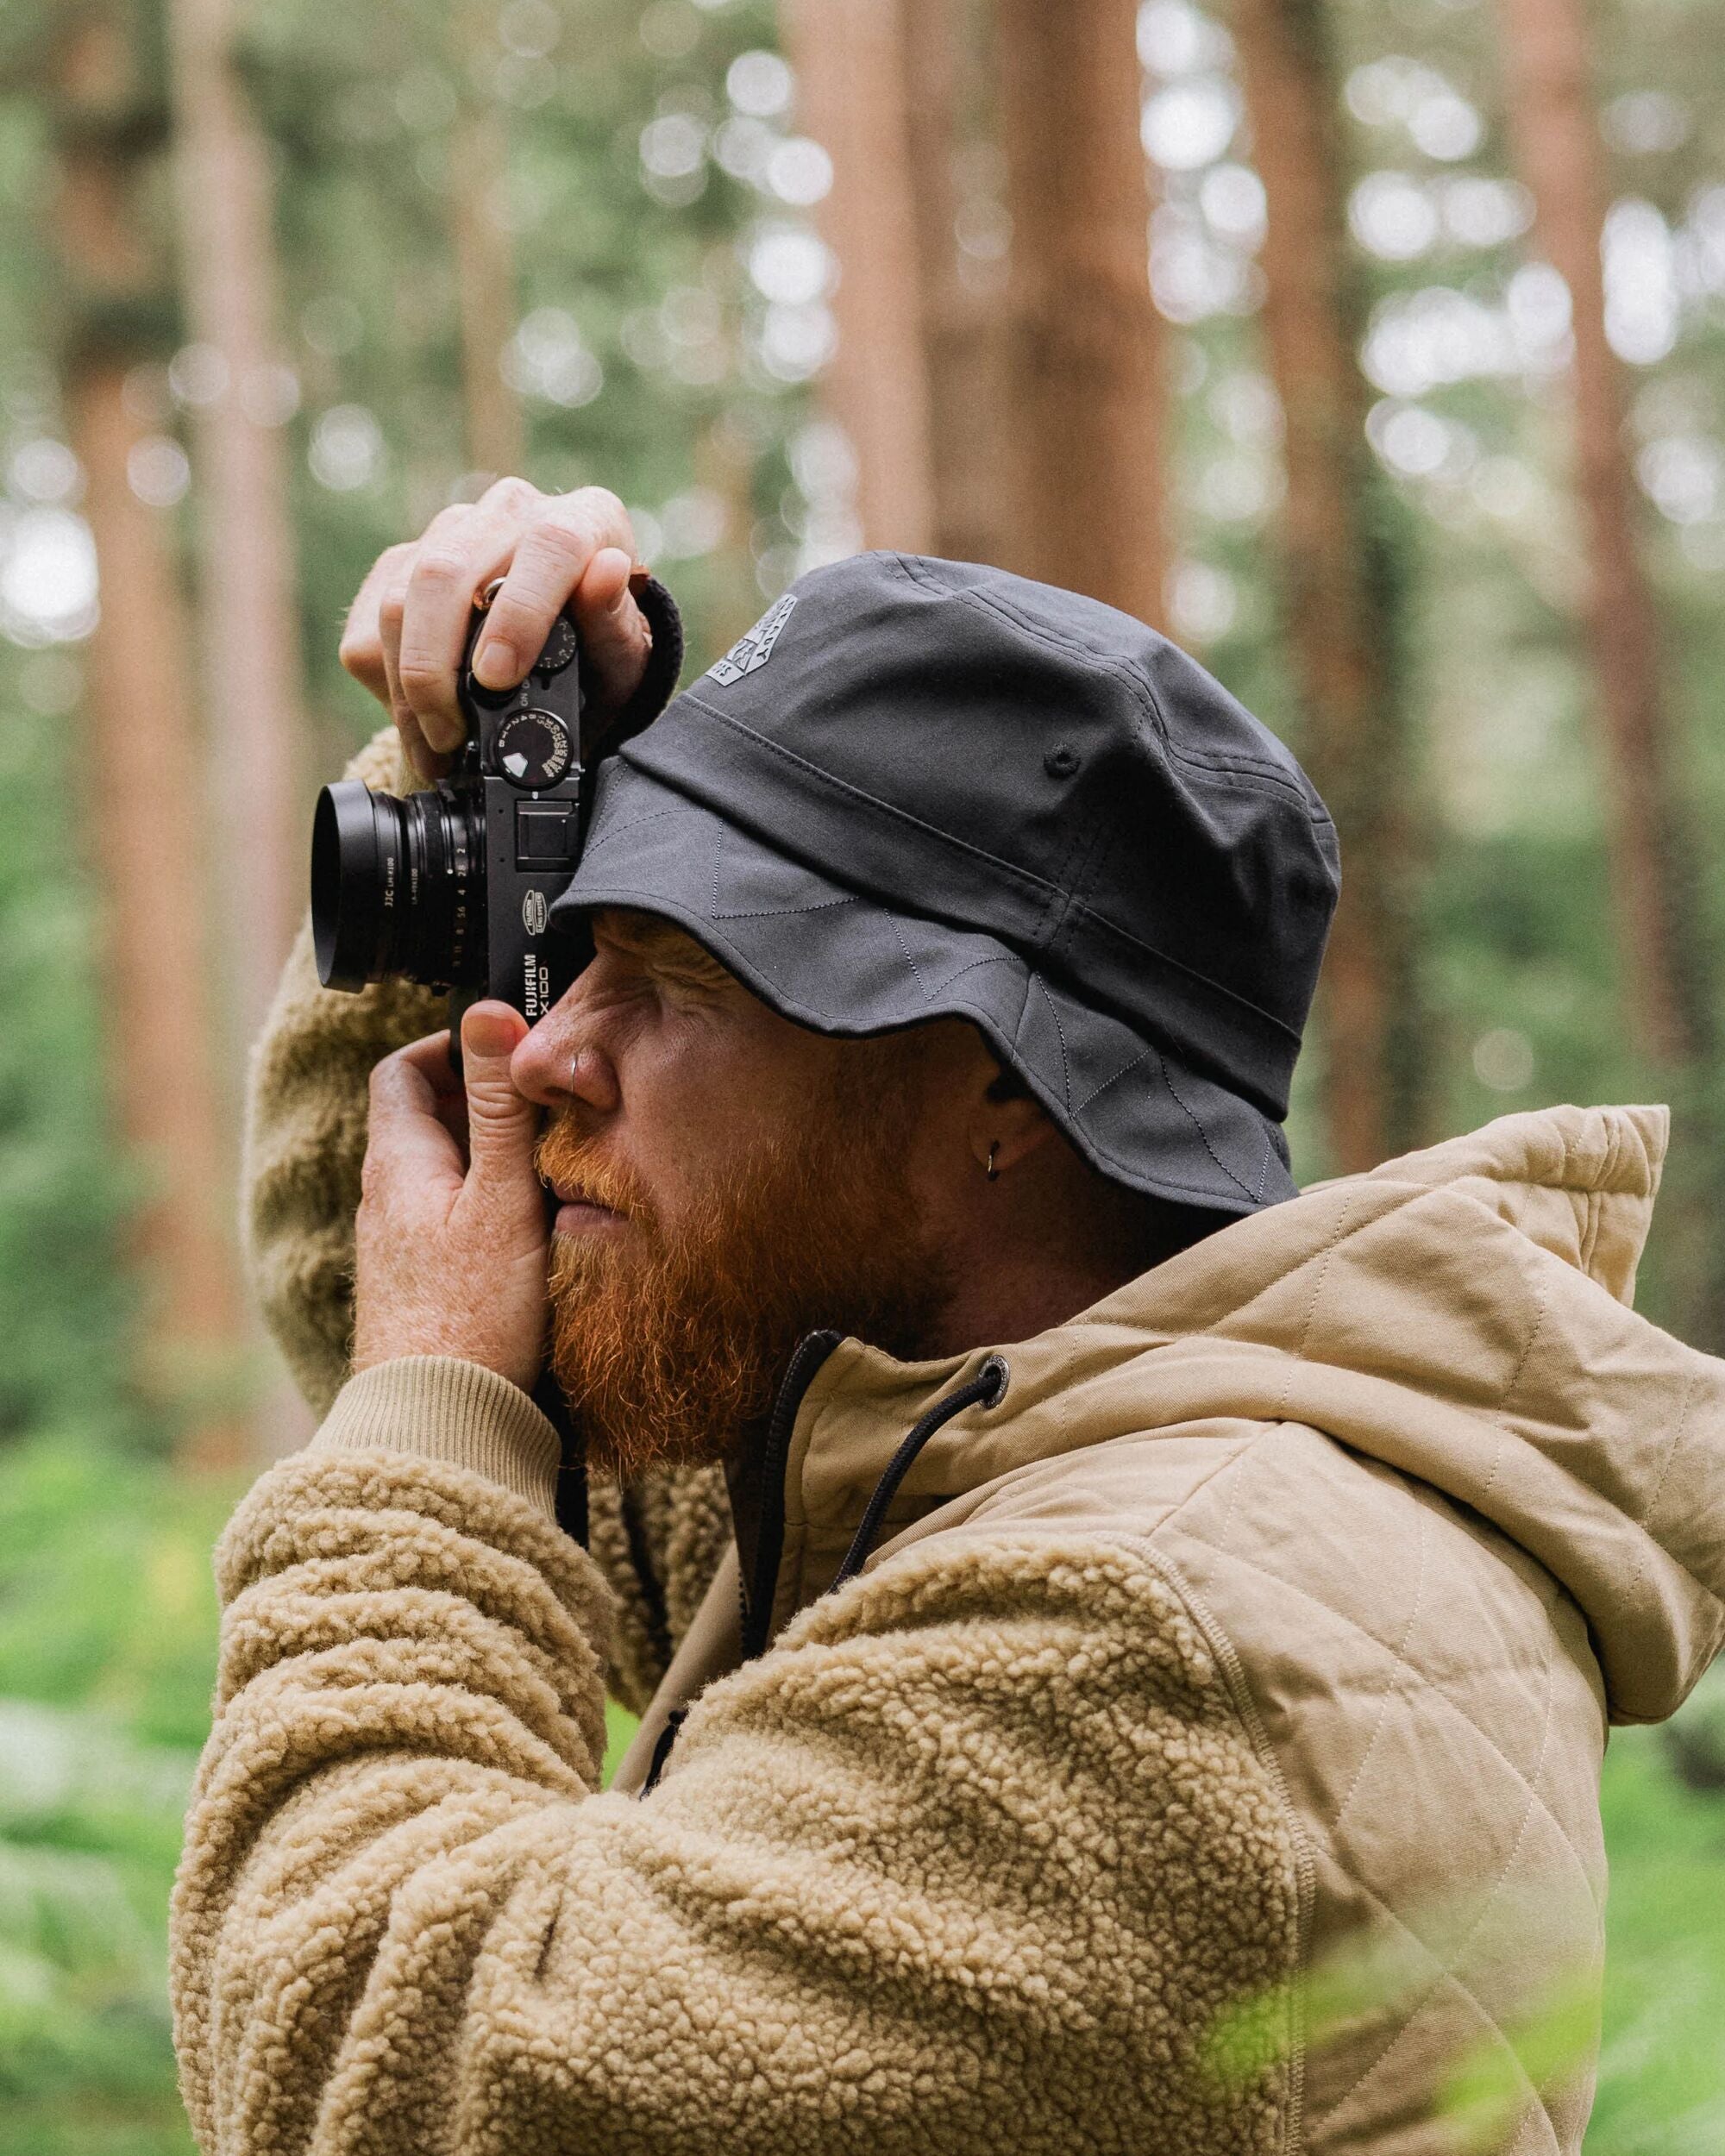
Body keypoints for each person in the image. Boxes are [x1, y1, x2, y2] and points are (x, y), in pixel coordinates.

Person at [172, 480, 1725, 2156]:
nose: (546, 1050)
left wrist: (431, 1402)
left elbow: (380, 2057)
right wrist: (481, 770)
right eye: (578, 946)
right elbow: (405, 1293)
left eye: (671, 975)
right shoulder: (974, 1452)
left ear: (996, 1079)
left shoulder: (1150, 1640)